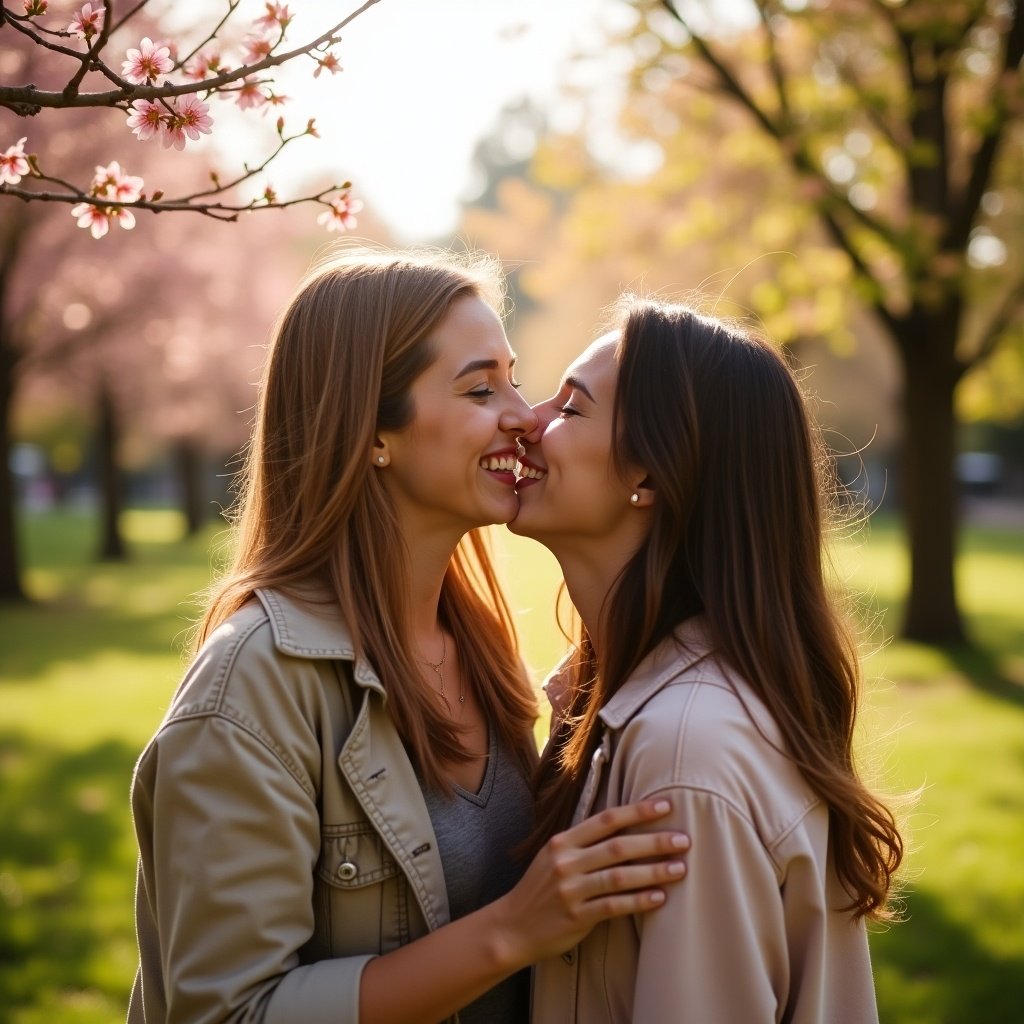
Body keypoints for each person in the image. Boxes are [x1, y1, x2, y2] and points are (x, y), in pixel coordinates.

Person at [126, 248, 690, 1024]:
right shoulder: (251, 688)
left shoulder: (480, 644)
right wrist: (511, 932)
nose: (525, 414)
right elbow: (228, 1013)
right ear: (372, 434)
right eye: (480, 388)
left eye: (513, 379)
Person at [510, 296, 905, 1023]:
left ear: (651, 477)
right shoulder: (621, 705)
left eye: (571, 409)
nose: (527, 419)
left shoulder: (685, 752)